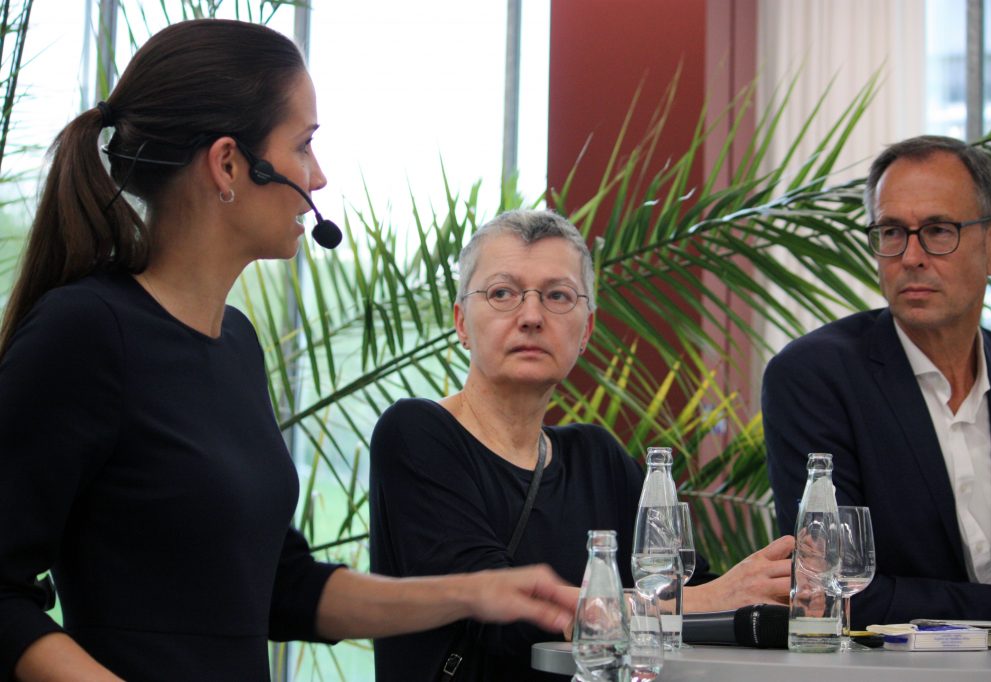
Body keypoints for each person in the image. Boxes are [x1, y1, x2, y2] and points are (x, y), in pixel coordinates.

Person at [0, 20, 577, 682]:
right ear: (228, 165)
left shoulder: (236, 344)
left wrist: (476, 593)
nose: (320, 176)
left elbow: (283, 585)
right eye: (304, 145)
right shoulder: (86, 332)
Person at [370, 209, 795, 681]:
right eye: (502, 294)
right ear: (462, 323)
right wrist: (708, 600)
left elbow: (701, 597)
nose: (531, 316)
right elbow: (504, 615)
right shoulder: (416, 433)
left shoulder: (597, 458)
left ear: (587, 330)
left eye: (557, 296)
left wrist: (771, 595)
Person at [763, 135, 991, 629]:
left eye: (938, 230)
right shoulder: (814, 378)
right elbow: (835, 587)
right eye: (891, 232)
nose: (910, 256)